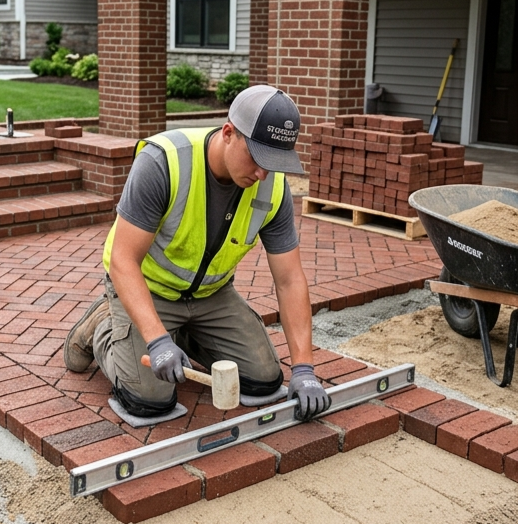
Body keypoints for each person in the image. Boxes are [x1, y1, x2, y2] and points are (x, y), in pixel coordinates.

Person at [64, 84, 331, 421]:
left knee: (264, 380)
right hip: (149, 289)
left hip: (211, 296)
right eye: (257, 158)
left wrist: (305, 368)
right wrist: (157, 340)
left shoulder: (272, 187)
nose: (263, 173)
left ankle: (185, 333)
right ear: (229, 132)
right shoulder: (164, 162)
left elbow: (290, 280)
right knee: (150, 400)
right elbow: (123, 260)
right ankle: (103, 323)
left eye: (274, 162)